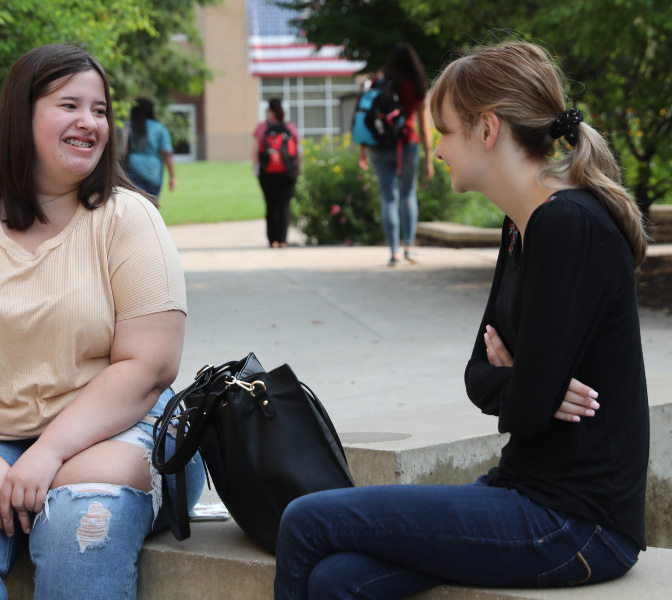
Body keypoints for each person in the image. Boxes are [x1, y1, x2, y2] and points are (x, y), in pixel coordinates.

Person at [274, 41, 649, 599]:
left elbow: (522, 412)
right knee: (337, 581)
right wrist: (527, 380)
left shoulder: (566, 225)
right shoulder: (521, 223)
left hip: (578, 522)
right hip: (524, 491)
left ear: (487, 129)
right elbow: (479, 376)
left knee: (306, 520)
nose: (438, 147)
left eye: (445, 130)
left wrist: (525, 384)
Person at [0, 43, 205, 599]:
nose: (90, 122)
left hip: (112, 429)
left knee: (82, 525)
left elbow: (149, 365)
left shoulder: (131, 220)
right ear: (21, 115)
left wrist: (49, 454)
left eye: (100, 110)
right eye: (69, 105)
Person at [359, 43, 435, 266]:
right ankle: (409, 247)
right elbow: (424, 125)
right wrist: (429, 156)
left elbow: (367, 117)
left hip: (379, 147)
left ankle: (394, 252)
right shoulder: (417, 86)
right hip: (407, 145)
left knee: (388, 198)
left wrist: (363, 150)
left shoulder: (379, 82)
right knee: (408, 194)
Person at [253, 98, 300, 248]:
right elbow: (297, 150)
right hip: (287, 172)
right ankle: (282, 239)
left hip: (267, 172)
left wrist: (256, 169)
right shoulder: (290, 127)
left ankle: (272, 239)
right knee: (284, 205)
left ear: (269, 110)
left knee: (270, 205)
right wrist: (296, 168)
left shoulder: (262, 127)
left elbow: (256, 150)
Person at [123, 97, 176, 197]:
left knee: (135, 205)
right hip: (154, 172)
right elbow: (166, 153)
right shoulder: (159, 128)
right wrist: (172, 176)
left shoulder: (127, 125)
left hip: (132, 169)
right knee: (152, 207)